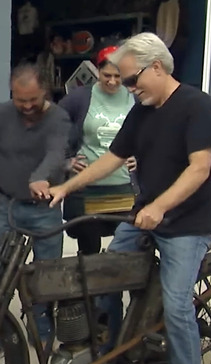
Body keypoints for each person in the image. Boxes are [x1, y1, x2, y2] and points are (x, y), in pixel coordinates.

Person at [48, 32, 211, 364]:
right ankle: (115, 358)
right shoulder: (142, 111)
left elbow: (199, 168)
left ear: (156, 67)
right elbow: (110, 159)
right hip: (142, 216)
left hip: (186, 225)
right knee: (102, 274)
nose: (128, 88)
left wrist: (160, 207)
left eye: (131, 80)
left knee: (178, 308)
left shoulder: (197, 106)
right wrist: (65, 188)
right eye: (124, 82)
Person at [0, 63, 71, 361]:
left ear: (45, 92)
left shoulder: (59, 118)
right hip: (6, 205)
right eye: (20, 99)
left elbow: (56, 152)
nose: (27, 106)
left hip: (44, 210)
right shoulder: (1, 113)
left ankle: (40, 332)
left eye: (33, 100)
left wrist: (39, 178)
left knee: (45, 276)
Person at [57, 41, 138, 258]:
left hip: (126, 190)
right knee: (89, 252)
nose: (112, 82)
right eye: (107, 75)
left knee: (128, 249)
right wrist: (67, 160)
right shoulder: (80, 98)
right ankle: (91, 292)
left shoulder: (136, 98)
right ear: (97, 71)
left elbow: (153, 134)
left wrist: (141, 157)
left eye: (118, 76)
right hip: (88, 190)